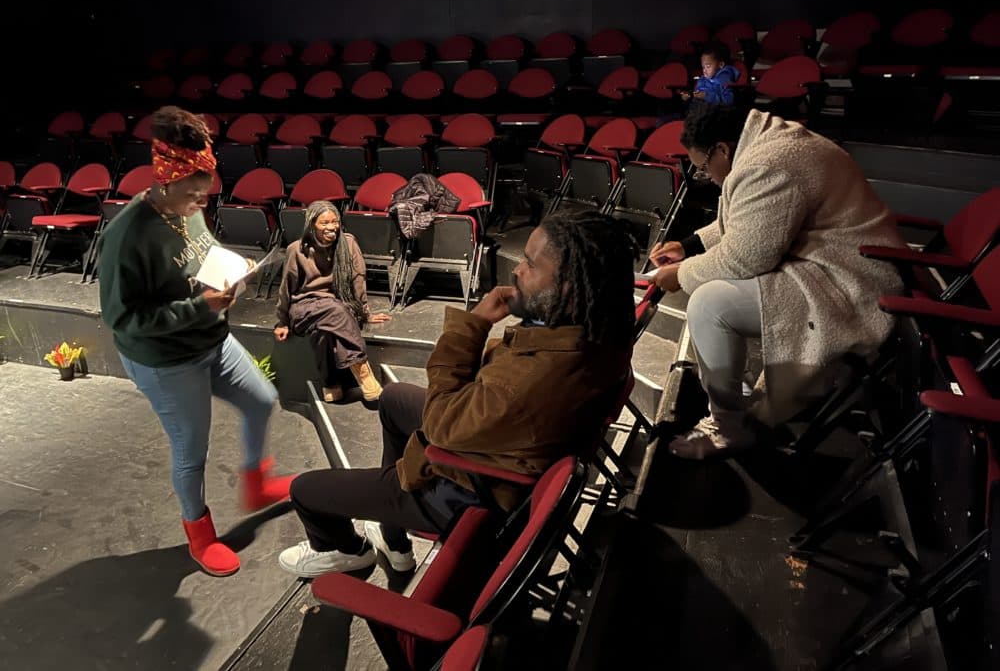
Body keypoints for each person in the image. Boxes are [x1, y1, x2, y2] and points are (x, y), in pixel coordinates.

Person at [277, 209, 636, 578]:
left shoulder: (526, 382)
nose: (517, 271)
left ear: (569, 287)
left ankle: (349, 551)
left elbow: (440, 424)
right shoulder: (601, 329)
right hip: (499, 451)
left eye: (530, 264)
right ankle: (393, 537)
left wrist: (475, 323)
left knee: (306, 490)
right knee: (393, 398)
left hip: (466, 489)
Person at [98, 106, 295, 577]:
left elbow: (199, 257)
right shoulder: (126, 236)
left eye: (205, 194)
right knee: (192, 451)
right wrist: (199, 308)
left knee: (262, 400)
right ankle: (199, 534)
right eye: (193, 194)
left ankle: (256, 484)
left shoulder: (188, 211)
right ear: (166, 183)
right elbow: (124, 319)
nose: (200, 203)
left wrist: (231, 270)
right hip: (167, 360)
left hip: (211, 339)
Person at [648, 103, 905, 459]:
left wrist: (681, 274)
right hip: (843, 263)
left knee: (709, 304)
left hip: (851, 282)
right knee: (713, 293)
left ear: (722, 148)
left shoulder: (767, 165)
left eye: (704, 168)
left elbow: (745, 257)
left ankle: (728, 427)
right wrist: (689, 246)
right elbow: (753, 219)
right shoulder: (768, 142)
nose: (707, 177)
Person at [273, 200, 391, 402]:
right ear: (312, 225)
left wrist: (364, 312)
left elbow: (358, 278)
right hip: (304, 306)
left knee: (324, 330)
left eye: (335, 222)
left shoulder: (348, 243)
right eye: (324, 223)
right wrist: (282, 321)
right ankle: (363, 372)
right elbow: (287, 287)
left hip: (338, 305)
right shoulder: (296, 249)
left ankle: (331, 384)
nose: (331, 227)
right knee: (335, 310)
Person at [680, 41, 741, 106]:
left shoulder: (725, 80)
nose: (704, 70)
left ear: (720, 65)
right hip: (698, 109)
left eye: (708, 66)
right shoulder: (702, 79)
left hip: (716, 112)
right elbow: (696, 94)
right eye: (703, 67)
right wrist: (689, 96)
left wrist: (707, 96)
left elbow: (729, 100)